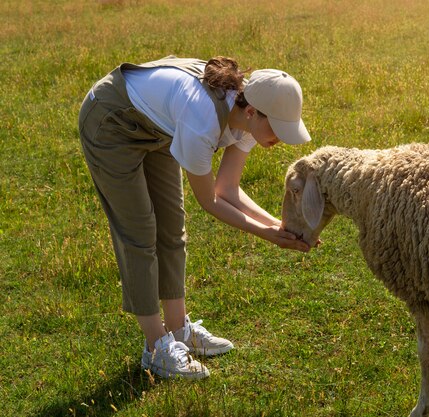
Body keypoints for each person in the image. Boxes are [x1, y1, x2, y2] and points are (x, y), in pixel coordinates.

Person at [78, 55, 311, 379]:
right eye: (277, 128)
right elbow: (211, 200)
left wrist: (277, 225)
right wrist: (266, 235)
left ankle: (179, 331)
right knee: (140, 232)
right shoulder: (202, 119)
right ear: (252, 112)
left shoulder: (247, 119)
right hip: (110, 122)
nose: (280, 139)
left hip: (158, 127)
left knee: (172, 227)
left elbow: (228, 188)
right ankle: (156, 348)